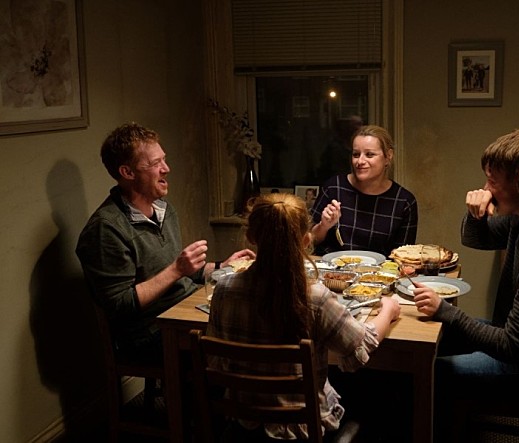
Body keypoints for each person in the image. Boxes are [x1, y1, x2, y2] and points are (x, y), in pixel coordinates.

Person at [412, 128, 519, 438]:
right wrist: (476, 214)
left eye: (492, 182)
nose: (485, 189)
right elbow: (476, 239)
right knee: (430, 340)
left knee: (425, 370)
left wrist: (445, 310)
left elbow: (511, 346)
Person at [207, 193, 400, 441]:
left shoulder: (223, 291)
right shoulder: (315, 297)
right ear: (306, 240)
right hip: (300, 431)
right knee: (370, 398)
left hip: (243, 425)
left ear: (251, 236)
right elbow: (361, 343)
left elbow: (216, 361)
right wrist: (388, 310)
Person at [76, 122, 254, 362]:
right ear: (128, 172)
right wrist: (176, 269)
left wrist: (223, 266)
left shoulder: (163, 210)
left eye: (164, 160)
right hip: (149, 333)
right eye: (155, 163)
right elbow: (119, 305)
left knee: (252, 315)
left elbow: (180, 272)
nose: (166, 169)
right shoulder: (105, 229)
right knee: (241, 336)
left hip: (183, 312)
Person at [310, 125, 418, 257]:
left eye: (369, 154)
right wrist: (323, 226)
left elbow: (404, 257)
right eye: (356, 154)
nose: (360, 161)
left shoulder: (404, 202)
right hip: (332, 268)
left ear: (388, 156)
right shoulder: (334, 187)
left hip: (381, 270)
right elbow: (308, 241)